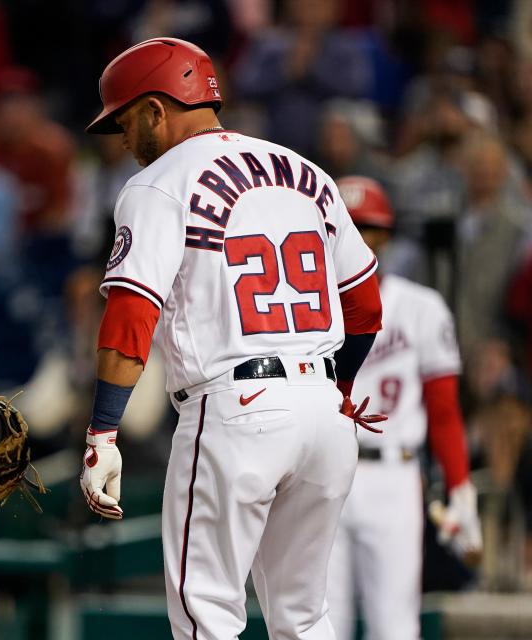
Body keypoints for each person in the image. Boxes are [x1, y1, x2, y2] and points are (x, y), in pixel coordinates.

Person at [78, 38, 385, 639]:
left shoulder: (158, 183)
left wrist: (102, 431)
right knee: (304, 615)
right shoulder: (308, 171)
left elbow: (130, 317)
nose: (120, 138)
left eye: (123, 120)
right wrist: (339, 388)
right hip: (324, 410)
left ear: (156, 110)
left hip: (235, 411)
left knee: (206, 616)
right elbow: (367, 305)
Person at [326, 176, 482, 640]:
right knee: (314, 625)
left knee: (394, 627)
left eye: (367, 228)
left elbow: (445, 411)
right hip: (324, 472)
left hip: (394, 474)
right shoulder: (306, 308)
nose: (357, 238)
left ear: (386, 235)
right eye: (346, 227)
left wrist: (460, 488)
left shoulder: (421, 306)